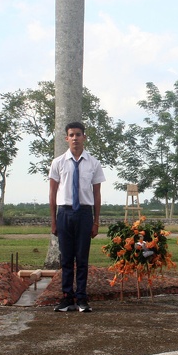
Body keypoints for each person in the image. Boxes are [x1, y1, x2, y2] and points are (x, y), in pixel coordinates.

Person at [49, 121, 106, 312]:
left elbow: (97, 194)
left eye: (78, 134)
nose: (75, 138)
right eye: (71, 135)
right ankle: (66, 297)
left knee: (82, 258)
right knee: (66, 258)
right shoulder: (58, 162)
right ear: (66, 138)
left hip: (84, 213)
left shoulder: (93, 163)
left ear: (84, 137)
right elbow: (52, 192)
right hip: (64, 212)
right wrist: (54, 221)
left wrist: (96, 221)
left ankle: (81, 298)